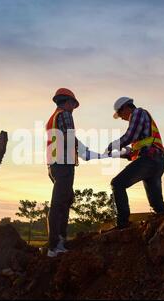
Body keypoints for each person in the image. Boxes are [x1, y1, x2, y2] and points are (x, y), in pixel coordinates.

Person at [45, 88, 99, 257]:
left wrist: (83, 151)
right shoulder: (65, 114)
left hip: (54, 165)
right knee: (60, 203)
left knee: (65, 199)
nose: (74, 108)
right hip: (63, 164)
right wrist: (84, 152)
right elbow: (70, 136)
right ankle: (54, 245)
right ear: (67, 102)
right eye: (73, 104)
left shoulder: (53, 118)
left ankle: (58, 242)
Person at [106, 97, 164, 230]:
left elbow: (130, 135)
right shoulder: (143, 124)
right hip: (155, 162)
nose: (122, 118)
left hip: (149, 161)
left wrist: (114, 144)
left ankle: (122, 223)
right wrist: (117, 153)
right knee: (157, 204)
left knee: (117, 184)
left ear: (126, 108)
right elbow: (133, 151)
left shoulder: (138, 113)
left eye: (121, 114)